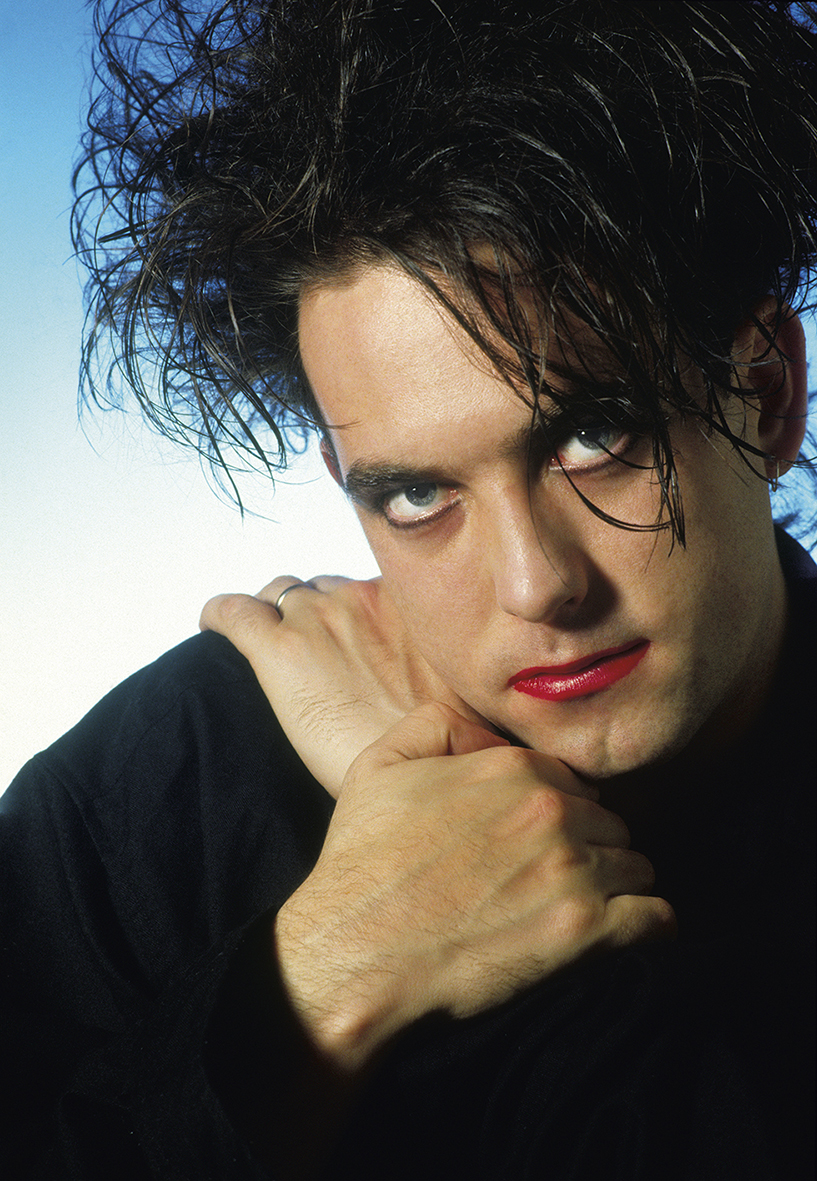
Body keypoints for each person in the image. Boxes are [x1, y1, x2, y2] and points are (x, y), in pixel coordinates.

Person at [1, 1, 815, 1177]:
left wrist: (473, 820)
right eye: (416, 496)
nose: (536, 586)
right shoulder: (167, 784)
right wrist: (321, 978)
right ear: (342, 482)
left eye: (596, 436)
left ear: (764, 389)